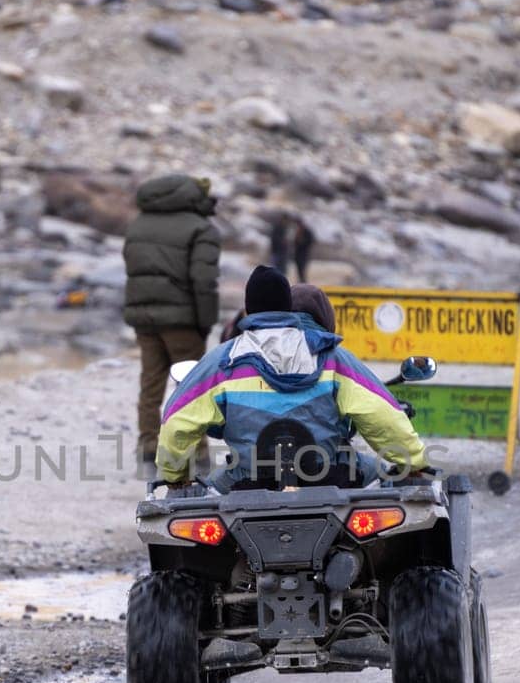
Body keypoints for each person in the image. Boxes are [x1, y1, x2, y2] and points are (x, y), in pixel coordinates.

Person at [157, 266, 428, 489]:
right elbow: (381, 415)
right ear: (288, 305)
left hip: (248, 483)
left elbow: (176, 423)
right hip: (330, 478)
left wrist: (175, 477)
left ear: (248, 309)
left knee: (206, 495)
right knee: (385, 484)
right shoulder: (330, 356)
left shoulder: (223, 361)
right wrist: (413, 462)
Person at [123, 173, 221, 469]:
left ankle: (148, 446)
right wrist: (206, 323)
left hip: (144, 317)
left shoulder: (139, 224)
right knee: (193, 385)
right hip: (184, 321)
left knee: (150, 382)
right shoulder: (201, 228)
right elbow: (204, 281)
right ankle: (197, 452)